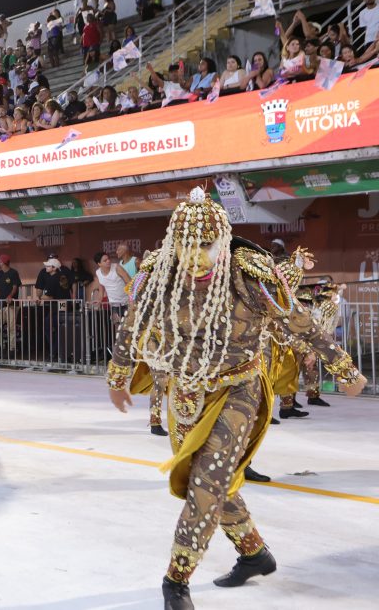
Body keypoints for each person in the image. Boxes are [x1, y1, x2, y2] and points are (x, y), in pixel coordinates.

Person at [105, 187, 365, 610]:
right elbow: (132, 324)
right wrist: (117, 377)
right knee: (205, 480)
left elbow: (299, 322)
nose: (197, 255)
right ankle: (254, 553)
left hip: (239, 388)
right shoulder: (156, 274)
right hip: (185, 392)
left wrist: (344, 369)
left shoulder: (249, 273)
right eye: (189, 245)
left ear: (221, 241)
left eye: (206, 245)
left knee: (208, 481)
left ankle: (176, 580)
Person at [0, 254, 21, 356]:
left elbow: (15, 287)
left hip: (12, 305)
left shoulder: (13, 273)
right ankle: (2, 346)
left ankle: (12, 349)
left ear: (3, 262)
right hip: (2, 305)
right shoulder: (0, 273)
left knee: (11, 328)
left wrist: (10, 296)